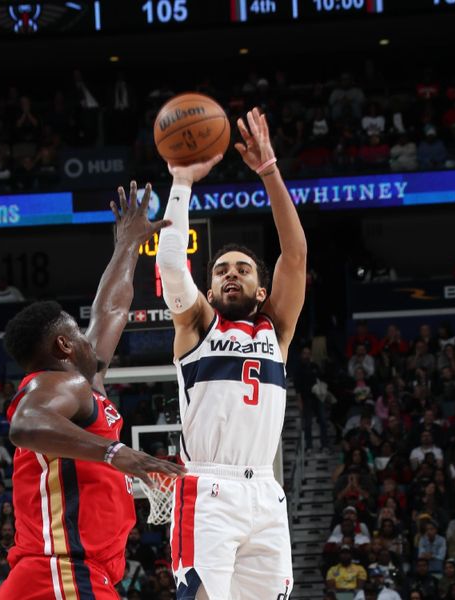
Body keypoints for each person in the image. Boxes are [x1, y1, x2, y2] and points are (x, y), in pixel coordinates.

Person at [0, 181, 185, 600]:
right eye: (77, 332)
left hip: (68, 576)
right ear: (63, 346)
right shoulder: (57, 384)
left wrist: (128, 245)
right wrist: (116, 452)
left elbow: (112, 308)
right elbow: (24, 425)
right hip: (60, 573)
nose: (88, 336)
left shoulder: (84, 383)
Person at [156, 107, 307, 599]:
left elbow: (296, 255)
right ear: (212, 286)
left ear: (261, 290)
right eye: (221, 269)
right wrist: (181, 182)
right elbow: (172, 266)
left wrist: (269, 171)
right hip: (206, 490)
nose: (231, 274)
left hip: (264, 491)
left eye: (243, 269)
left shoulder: (276, 330)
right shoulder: (198, 324)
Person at [295, 346, 330, 454]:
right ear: (301, 355)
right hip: (306, 399)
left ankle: (324, 445)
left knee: (323, 421)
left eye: (308, 353)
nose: (307, 355)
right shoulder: (298, 368)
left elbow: (322, 379)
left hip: (317, 398)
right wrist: (299, 401)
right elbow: (297, 388)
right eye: (304, 353)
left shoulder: (315, 366)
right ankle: (308, 446)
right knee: (308, 423)